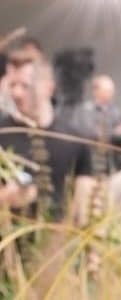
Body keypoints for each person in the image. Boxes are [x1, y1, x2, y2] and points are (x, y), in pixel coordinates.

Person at [0, 54, 94, 222]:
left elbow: (85, 206)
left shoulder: (74, 140)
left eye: (25, 86)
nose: (16, 93)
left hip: (58, 235)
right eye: (12, 85)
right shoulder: (3, 133)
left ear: (49, 88)